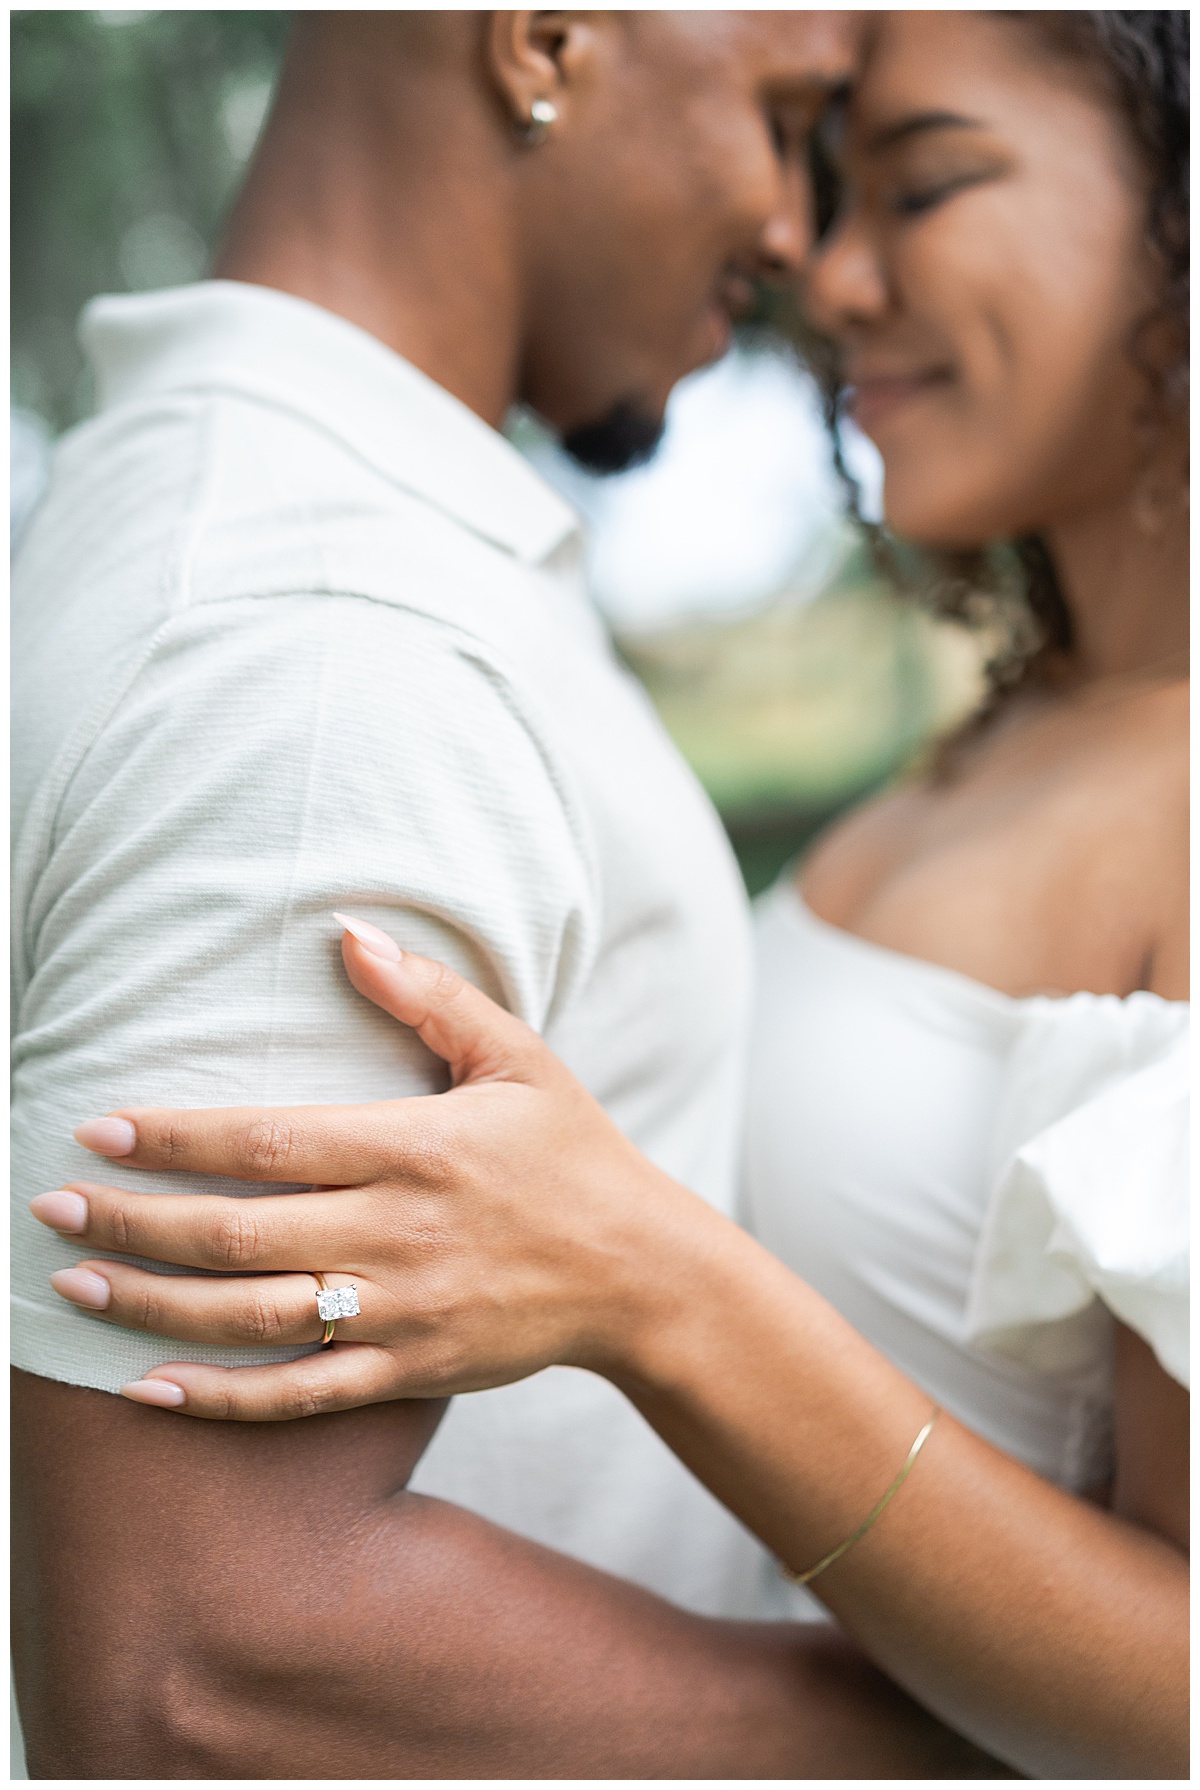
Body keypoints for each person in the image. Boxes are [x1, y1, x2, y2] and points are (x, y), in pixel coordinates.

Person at [36, 10, 1189, 1780]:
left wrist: (661, 1286)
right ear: (540, 39)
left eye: (923, 180)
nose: (824, 267)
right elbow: (193, 1651)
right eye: (809, 147)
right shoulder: (340, 635)